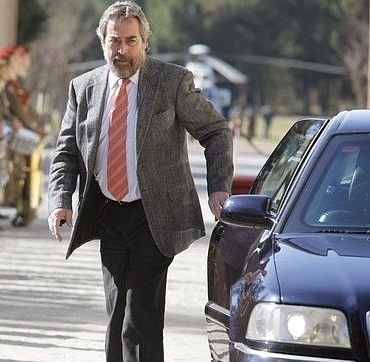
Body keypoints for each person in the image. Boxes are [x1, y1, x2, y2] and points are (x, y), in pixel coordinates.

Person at [47, 2, 233, 361]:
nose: (123, 50)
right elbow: (66, 151)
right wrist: (60, 201)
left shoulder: (172, 81)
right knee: (116, 313)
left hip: (155, 216)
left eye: (131, 41)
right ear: (102, 42)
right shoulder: (83, 88)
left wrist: (218, 187)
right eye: (115, 41)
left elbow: (215, 131)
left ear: (145, 42)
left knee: (140, 315)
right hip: (106, 213)